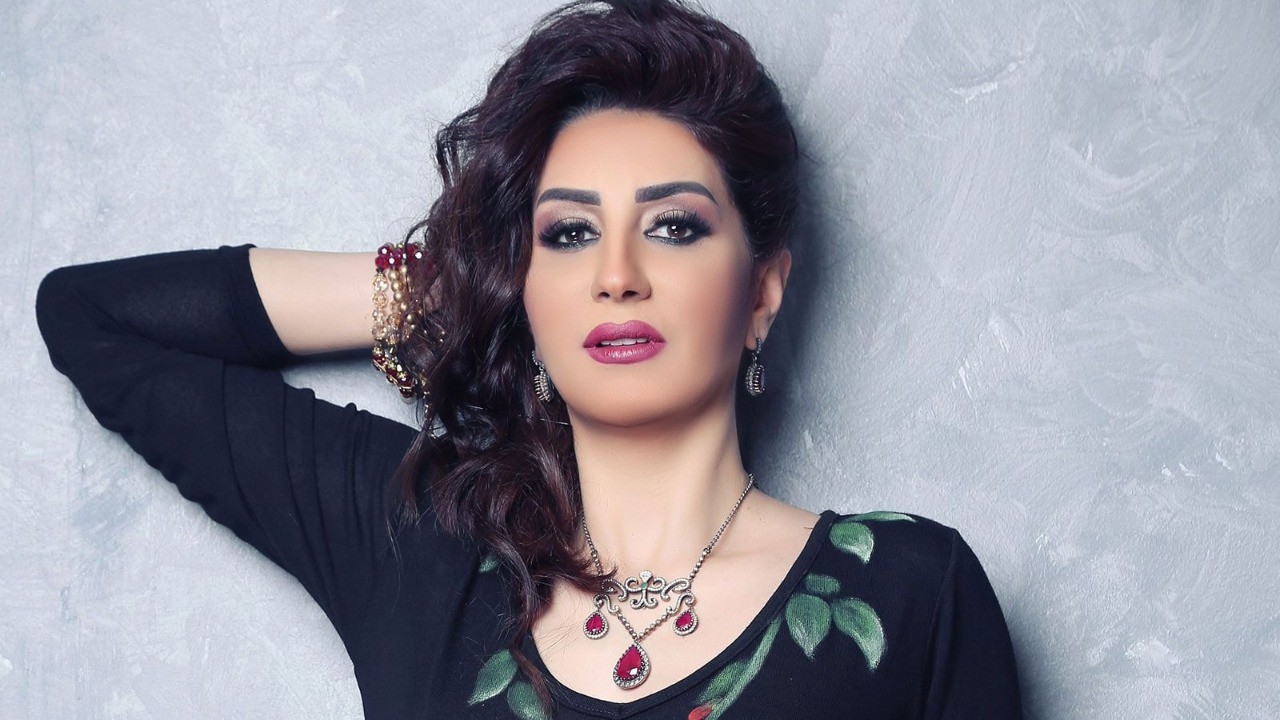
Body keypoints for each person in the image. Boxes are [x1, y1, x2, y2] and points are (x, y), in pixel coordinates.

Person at [35, 0, 1022, 717]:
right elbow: (90, 318)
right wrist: (459, 288)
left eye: (674, 227)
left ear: (761, 291)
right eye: (569, 235)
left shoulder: (907, 594)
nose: (617, 275)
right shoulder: (421, 547)